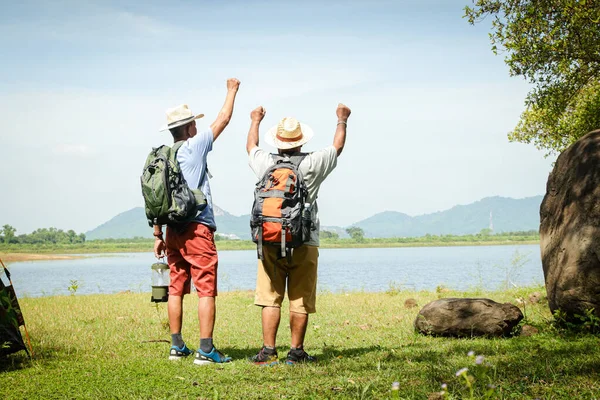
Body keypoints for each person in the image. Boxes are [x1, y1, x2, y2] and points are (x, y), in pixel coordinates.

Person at [246, 103, 351, 365]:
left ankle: (268, 352)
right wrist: (342, 119)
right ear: (301, 141)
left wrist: (255, 120)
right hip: (304, 240)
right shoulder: (313, 163)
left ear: (278, 142)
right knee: (300, 297)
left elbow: (250, 146)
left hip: (269, 240)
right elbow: (337, 147)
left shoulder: (265, 163)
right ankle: (296, 353)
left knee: (270, 298)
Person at [153, 78, 240, 364]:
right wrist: (232, 90)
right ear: (190, 127)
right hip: (197, 229)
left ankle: (176, 346)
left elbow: (156, 196)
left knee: (176, 287)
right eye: (194, 124)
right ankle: (206, 350)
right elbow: (224, 118)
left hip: (171, 231)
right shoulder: (195, 145)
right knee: (206, 288)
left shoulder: (164, 155)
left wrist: (158, 235)